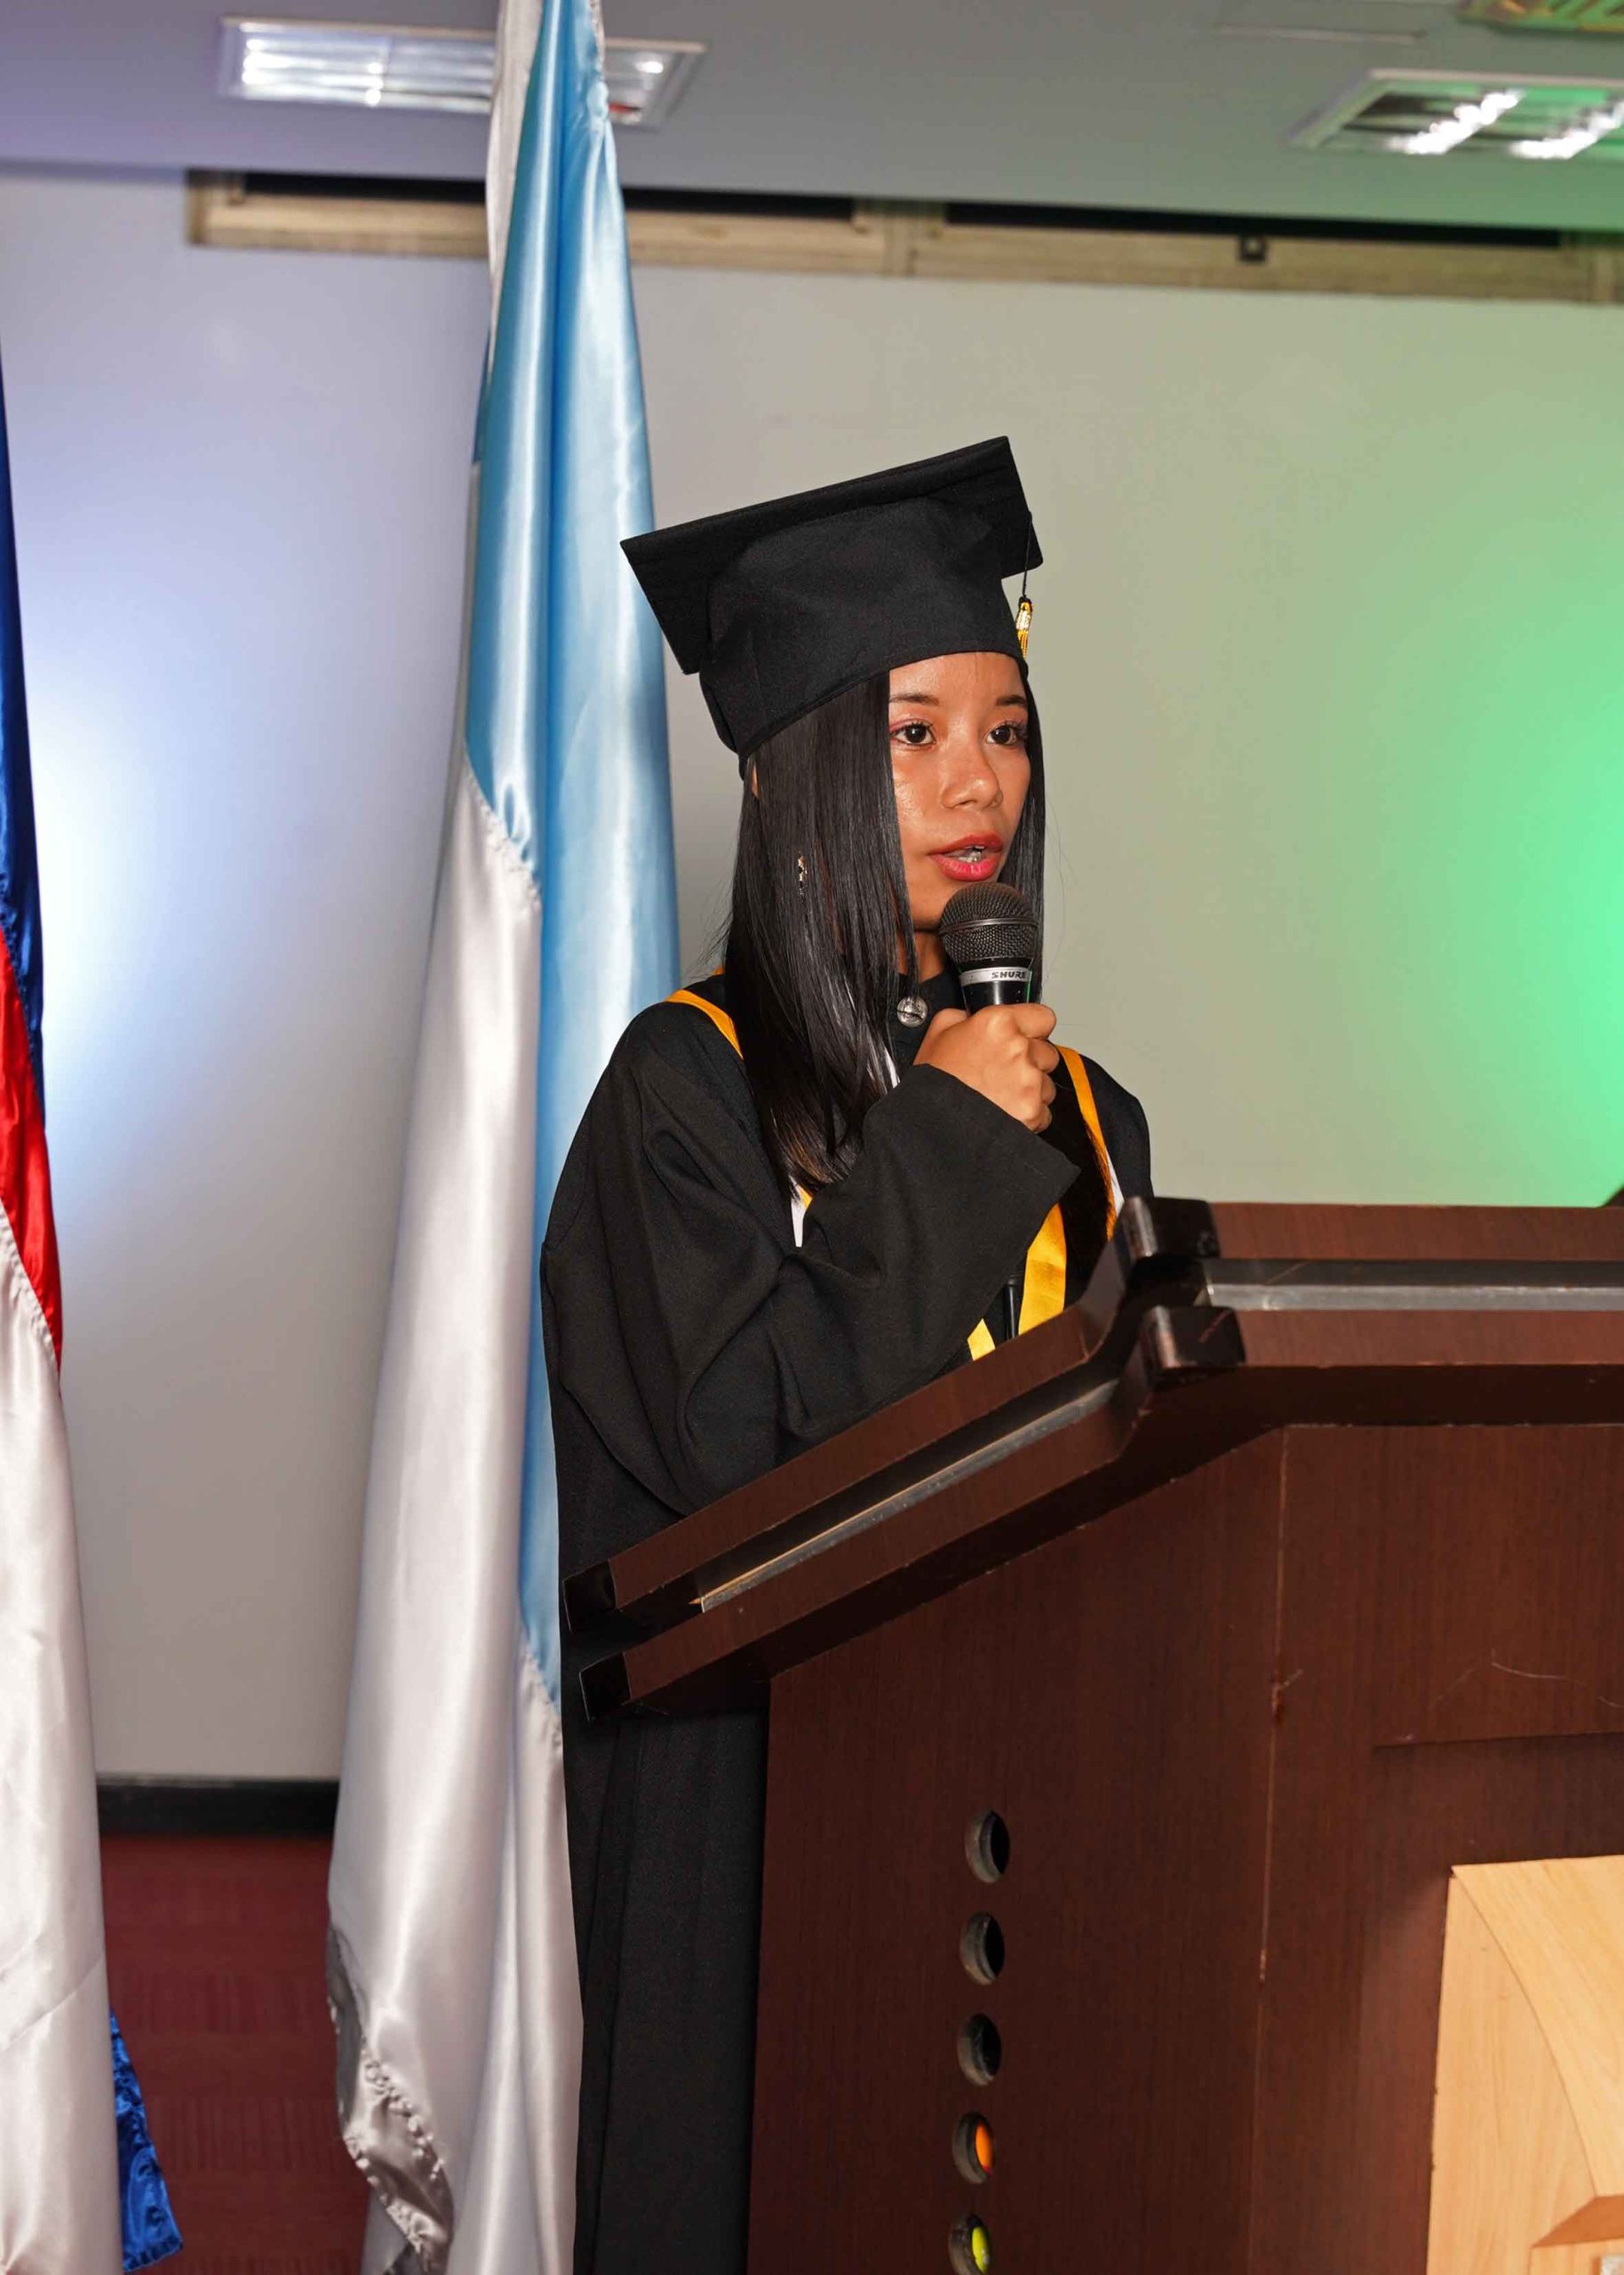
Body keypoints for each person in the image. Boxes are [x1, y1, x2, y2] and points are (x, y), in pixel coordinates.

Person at [541, 437, 1151, 2275]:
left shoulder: (1086, 1119)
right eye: (913, 733)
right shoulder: (681, 1098)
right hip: (750, 1830)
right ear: (788, 766)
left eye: (1006, 728)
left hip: (1019, 1812)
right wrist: (944, 1148)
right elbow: (750, 1463)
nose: (979, 782)